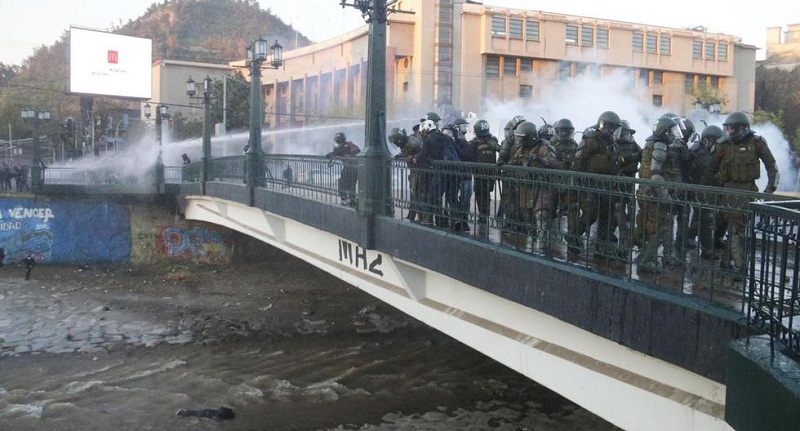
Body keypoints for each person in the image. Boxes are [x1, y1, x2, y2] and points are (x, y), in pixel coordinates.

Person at [711, 111, 779, 279]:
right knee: (735, 229)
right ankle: (736, 267)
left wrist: (769, 190)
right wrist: (712, 191)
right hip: (727, 192)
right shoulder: (723, 145)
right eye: (727, 129)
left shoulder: (757, 143)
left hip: (747, 191)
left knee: (737, 228)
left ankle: (730, 264)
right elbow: (710, 170)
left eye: (732, 129)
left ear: (742, 128)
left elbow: (772, 167)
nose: (729, 132)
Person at [635, 116, 685, 273]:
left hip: (650, 192)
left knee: (662, 224)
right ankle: (646, 260)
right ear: (664, 132)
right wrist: (666, 198)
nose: (674, 134)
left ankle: (665, 257)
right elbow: (655, 172)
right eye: (671, 131)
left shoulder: (654, 143)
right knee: (658, 228)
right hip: (654, 194)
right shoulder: (659, 145)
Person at [570, 111, 622, 259]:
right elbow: (578, 160)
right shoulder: (591, 139)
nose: (610, 130)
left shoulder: (611, 143)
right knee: (590, 215)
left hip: (606, 186)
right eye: (608, 127)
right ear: (601, 125)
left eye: (613, 128)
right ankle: (573, 237)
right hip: (589, 185)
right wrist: (579, 181)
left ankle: (602, 246)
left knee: (607, 215)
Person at [506, 121, 558, 253]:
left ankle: (541, 245)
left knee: (541, 214)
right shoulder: (520, 148)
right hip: (526, 186)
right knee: (527, 215)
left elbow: (554, 162)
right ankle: (533, 240)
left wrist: (540, 159)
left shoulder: (543, 147)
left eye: (521, 137)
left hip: (541, 186)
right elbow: (513, 161)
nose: (519, 140)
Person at [687, 125, 726, 259]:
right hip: (700, 189)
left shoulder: (713, 152)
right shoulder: (698, 152)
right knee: (706, 219)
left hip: (711, 190)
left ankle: (692, 238)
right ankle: (706, 249)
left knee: (705, 218)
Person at [612, 120, 642, 257]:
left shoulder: (633, 145)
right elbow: (614, 161)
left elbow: (641, 158)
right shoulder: (613, 144)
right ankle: (623, 235)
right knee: (618, 208)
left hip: (628, 180)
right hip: (617, 181)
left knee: (630, 207)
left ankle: (629, 236)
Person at [549, 118, 579, 251]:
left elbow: (578, 160)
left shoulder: (574, 145)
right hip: (553, 182)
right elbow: (550, 161)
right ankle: (546, 237)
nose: (565, 134)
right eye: (563, 131)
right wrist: (564, 164)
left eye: (568, 131)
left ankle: (572, 238)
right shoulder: (551, 144)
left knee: (573, 208)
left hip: (568, 183)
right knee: (549, 211)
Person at [413, 119, 448, 225]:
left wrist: (416, 159)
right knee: (439, 196)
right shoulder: (443, 137)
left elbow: (423, 154)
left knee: (431, 196)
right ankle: (440, 220)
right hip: (445, 169)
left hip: (433, 170)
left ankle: (428, 219)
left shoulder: (428, 140)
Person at [441, 122, 474, 231]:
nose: (447, 135)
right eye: (445, 133)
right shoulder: (444, 146)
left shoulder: (463, 143)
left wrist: (454, 144)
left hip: (465, 176)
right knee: (451, 198)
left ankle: (464, 221)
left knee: (465, 200)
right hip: (452, 177)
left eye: (449, 133)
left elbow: (467, 156)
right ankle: (456, 220)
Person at [469, 119, 500, 225]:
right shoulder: (492, 140)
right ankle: (484, 215)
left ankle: (483, 216)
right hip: (487, 173)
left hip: (482, 173)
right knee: (484, 194)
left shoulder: (475, 141)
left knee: (481, 194)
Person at [388, 127, 423, 221]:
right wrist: (400, 156)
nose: (395, 143)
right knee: (414, 194)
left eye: (395, 141)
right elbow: (407, 152)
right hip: (415, 171)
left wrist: (413, 157)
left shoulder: (412, 142)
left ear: (399, 139)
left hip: (420, 171)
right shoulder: (406, 143)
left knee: (418, 195)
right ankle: (412, 216)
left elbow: (423, 153)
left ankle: (421, 218)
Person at [326, 132, 361, 206]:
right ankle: (352, 200)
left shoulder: (340, 147)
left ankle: (344, 200)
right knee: (352, 185)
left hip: (348, 168)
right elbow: (359, 152)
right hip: (356, 169)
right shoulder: (350, 145)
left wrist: (329, 155)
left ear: (338, 140)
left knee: (342, 184)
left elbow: (332, 154)